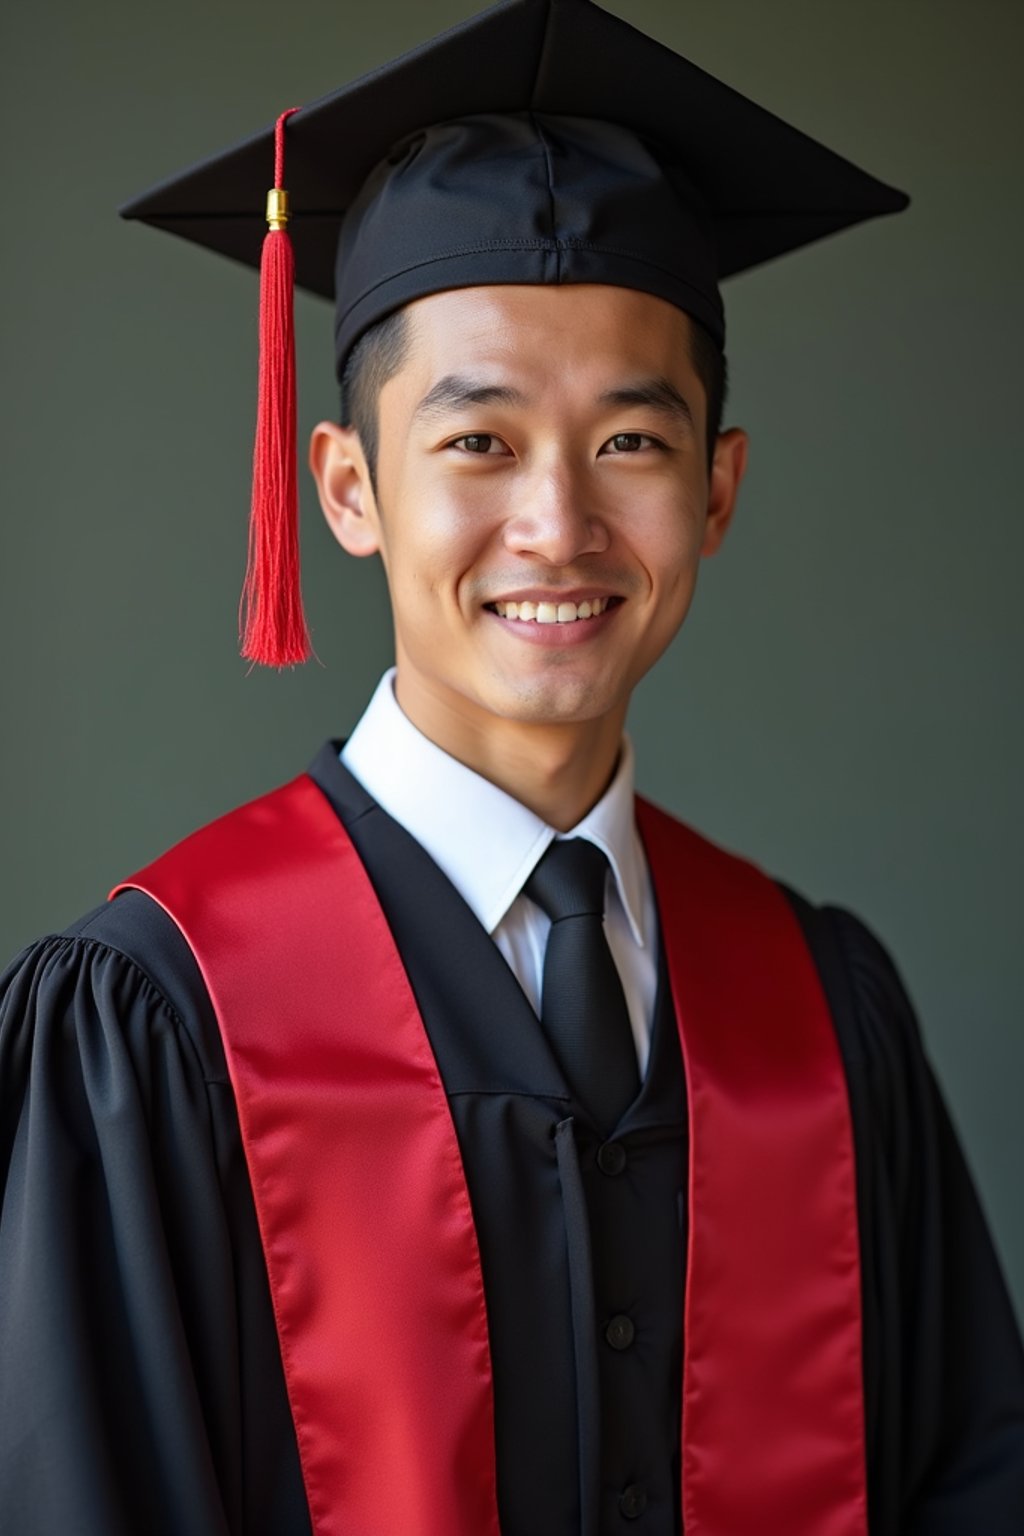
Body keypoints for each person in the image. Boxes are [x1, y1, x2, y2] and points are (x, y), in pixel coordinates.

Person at [1, 0, 1022, 1532]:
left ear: (720, 489)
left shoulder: (819, 1009)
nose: (558, 527)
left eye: (632, 443)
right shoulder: (155, 1025)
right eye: (478, 444)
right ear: (346, 488)